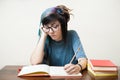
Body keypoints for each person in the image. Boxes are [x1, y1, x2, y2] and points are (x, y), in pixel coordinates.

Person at [30, 5, 87, 74]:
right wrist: (43, 35)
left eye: (55, 26)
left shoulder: (72, 35)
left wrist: (78, 66)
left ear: (63, 25)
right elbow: (34, 62)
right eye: (47, 27)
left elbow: (83, 60)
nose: (51, 31)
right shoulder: (46, 37)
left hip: (70, 76)